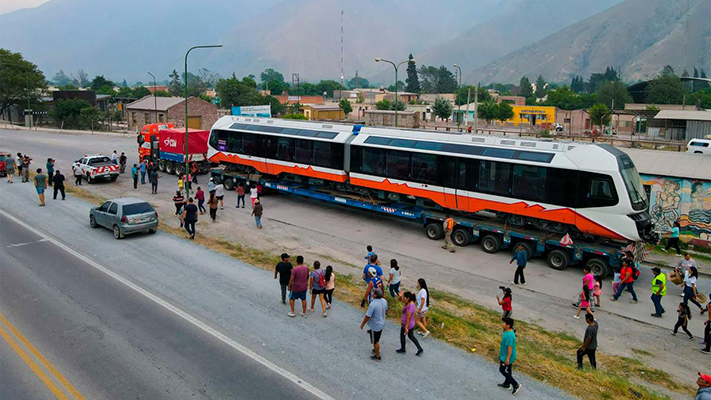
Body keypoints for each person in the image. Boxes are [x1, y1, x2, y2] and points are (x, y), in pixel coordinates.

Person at [360, 288, 387, 361]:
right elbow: (386, 310)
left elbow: (368, 316)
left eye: (373, 293)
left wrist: (363, 324)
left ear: (375, 295)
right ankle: (376, 349)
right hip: (382, 323)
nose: (372, 293)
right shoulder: (384, 301)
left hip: (375, 325)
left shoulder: (373, 304)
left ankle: (377, 355)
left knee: (375, 341)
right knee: (377, 338)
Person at [497, 317, 521, 394]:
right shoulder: (508, 331)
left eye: (504, 323)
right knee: (508, 370)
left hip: (507, 356)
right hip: (505, 354)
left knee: (502, 370)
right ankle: (507, 384)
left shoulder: (509, 336)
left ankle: (515, 384)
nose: (502, 324)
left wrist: (507, 359)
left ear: (508, 325)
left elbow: (509, 348)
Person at [396, 291, 423, 356]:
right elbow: (400, 300)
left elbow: (408, 317)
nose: (403, 298)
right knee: (410, 336)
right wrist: (400, 296)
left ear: (407, 298)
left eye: (404, 297)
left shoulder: (411, 306)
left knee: (404, 336)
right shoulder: (408, 302)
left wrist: (406, 327)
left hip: (407, 324)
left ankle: (403, 349)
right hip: (409, 323)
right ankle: (419, 348)